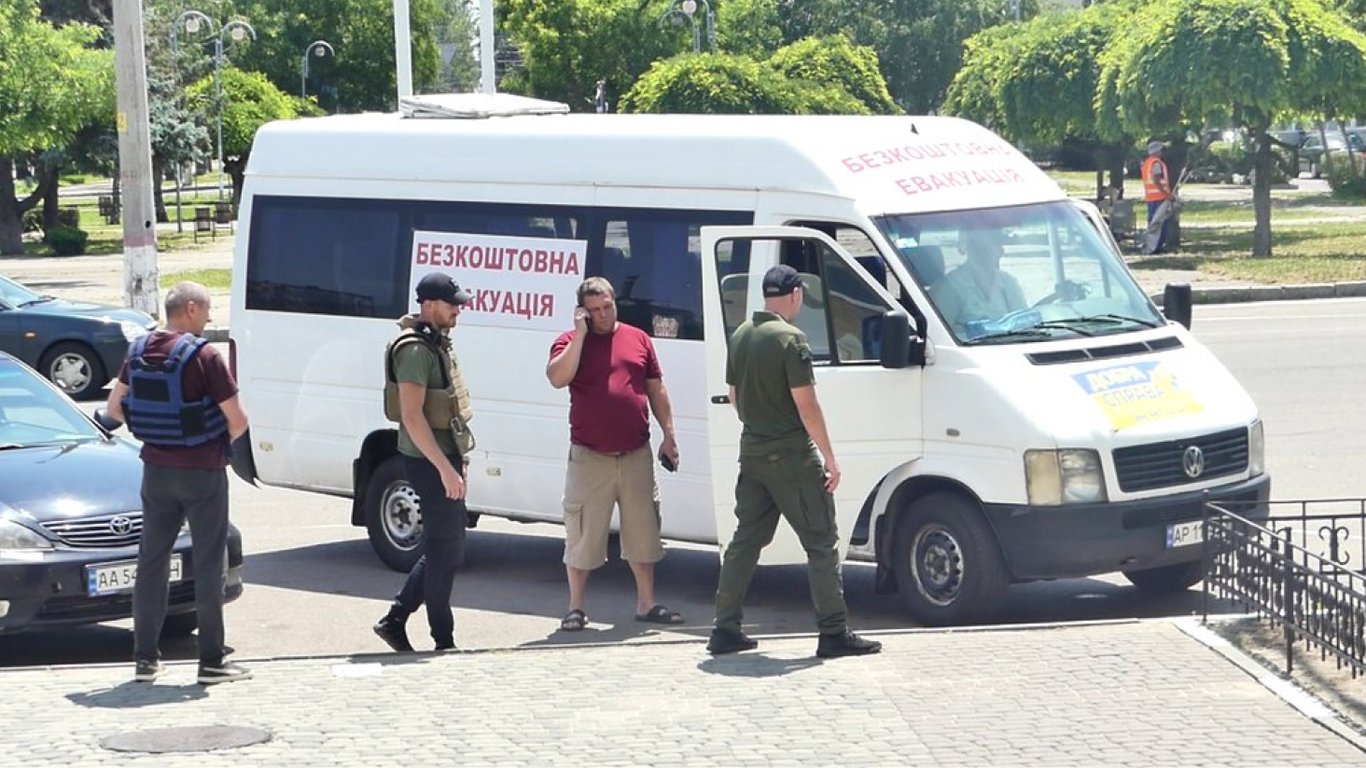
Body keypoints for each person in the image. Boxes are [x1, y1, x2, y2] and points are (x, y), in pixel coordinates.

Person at [708, 264, 882, 659]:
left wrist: (760, 424)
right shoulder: (790, 338)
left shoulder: (741, 334)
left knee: (745, 541)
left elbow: (734, 396)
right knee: (821, 543)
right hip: (791, 457)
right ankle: (834, 632)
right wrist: (830, 458)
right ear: (796, 294)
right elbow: (807, 406)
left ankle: (725, 628)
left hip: (751, 454)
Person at [106, 281, 251, 685]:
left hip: (156, 470)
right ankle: (211, 664)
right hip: (203, 472)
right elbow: (237, 419)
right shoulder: (204, 355)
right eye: (206, 311)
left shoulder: (137, 351)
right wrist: (220, 442)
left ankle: (145, 661)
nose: (208, 319)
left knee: (151, 562)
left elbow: (114, 409)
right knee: (208, 565)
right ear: (189, 309)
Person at [546, 276, 683, 632]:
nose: (603, 314)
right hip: (590, 457)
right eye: (594, 310)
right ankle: (575, 608)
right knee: (582, 535)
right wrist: (579, 335)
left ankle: (647, 603)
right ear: (582, 312)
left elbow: (656, 389)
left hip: (635, 453)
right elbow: (557, 378)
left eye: (607, 306)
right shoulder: (569, 342)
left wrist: (669, 435)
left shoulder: (638, 338)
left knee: (643, 532)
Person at [372, 272, 476, 652]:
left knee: (446, 550)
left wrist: (456, 460)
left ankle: (395, 618)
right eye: (452, 305)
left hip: (442, 457)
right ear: (429, 305)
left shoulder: (436, 343)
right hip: (428, 462)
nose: (457, 312)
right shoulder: (415, 350)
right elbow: (413, 418)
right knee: (445, 555)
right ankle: (443, 641)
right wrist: (444, 469)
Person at [932, 228, 1027, 335]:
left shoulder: (1009, 283)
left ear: (1000, 252)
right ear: (968, 249)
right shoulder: (948, 286)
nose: (983, 254)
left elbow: (1024, 325)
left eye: (989, 247)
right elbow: (938, 334)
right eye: (978, 248)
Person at [1142, 140, 1174, 254]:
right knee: (1159, 223)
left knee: (1153, 223)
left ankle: (1152, 246)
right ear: (1157, 151)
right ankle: (1157, 246)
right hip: (1159, 198)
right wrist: (1167, 194)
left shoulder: (1147, 162)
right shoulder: (1156, 163)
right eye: (1161, 150)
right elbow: (1156, 179)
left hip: (1151, 197)